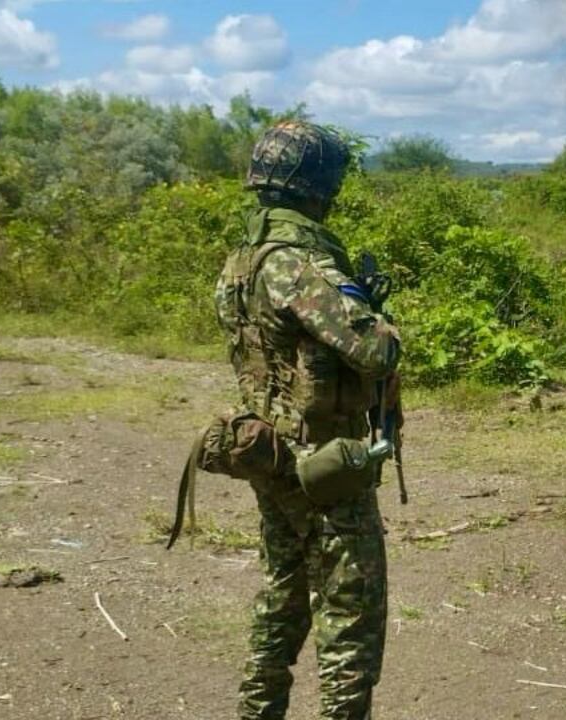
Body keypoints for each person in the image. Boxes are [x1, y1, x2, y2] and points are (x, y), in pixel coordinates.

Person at [214, 121, 400, 720]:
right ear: (318, 185)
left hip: (271, 453)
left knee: (283, 597)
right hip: (323, 466)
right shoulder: (297, 264)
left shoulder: (241, 260)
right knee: (351, 616)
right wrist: (379, 319)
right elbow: (375, 351)